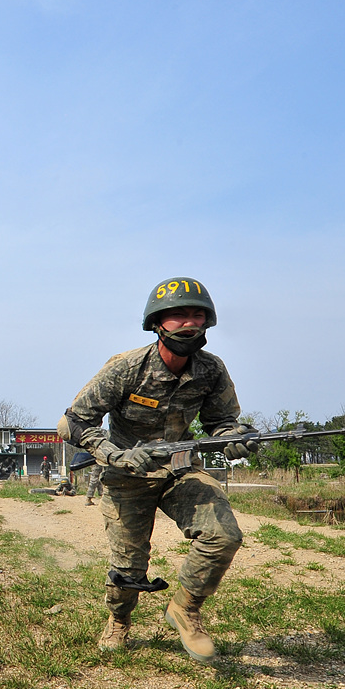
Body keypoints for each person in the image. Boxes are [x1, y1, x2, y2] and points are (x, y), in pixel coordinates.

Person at [57, 277, 257, 664]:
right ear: (157, 323)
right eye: (178, 315)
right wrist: (114, 454)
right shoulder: (126, 369)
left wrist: (234, 438)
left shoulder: (211, 371)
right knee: (128, 567)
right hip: (127, 477)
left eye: (197, 314)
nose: (188, 323)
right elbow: (74, 422)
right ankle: (118, 620)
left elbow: (221, 423)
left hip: (180, 469)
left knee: (223, 534)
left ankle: (186, 608)